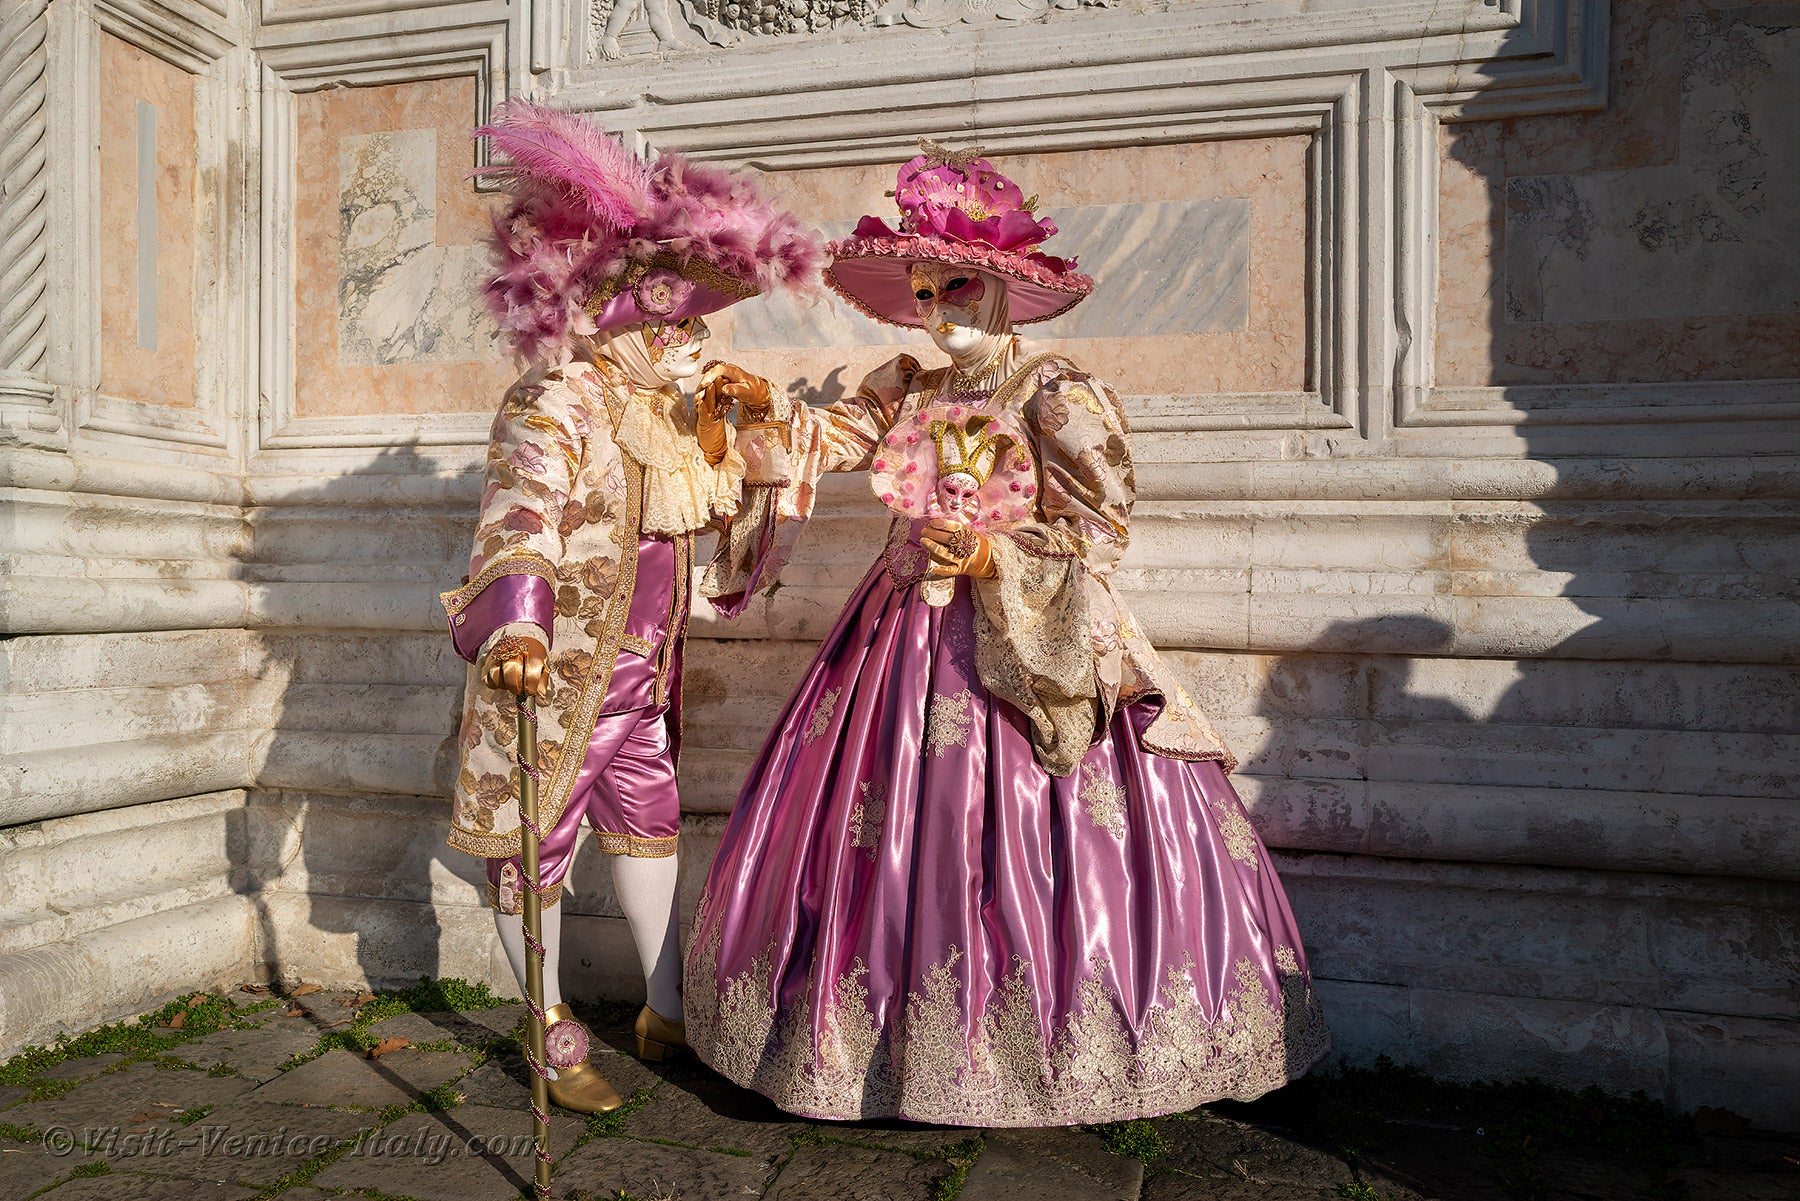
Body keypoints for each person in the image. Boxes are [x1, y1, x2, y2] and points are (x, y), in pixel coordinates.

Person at [683, 144, 1329, 1126]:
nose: (937, 309)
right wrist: (748, 423)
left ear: (998, 285)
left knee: (1030, 845)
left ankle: (1060, 1046)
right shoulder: (905, 387)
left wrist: (994, 558)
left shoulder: (1055, 391)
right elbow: (828, 443)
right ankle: (865, 1048)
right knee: (888, 835)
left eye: (954, 287)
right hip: (899, 638)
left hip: (1028, 655)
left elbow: (1099, 535)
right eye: (923, 289)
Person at [439, 100, 818, 1113]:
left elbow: (738, 530)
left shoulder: (675, 418)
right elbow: (521, 512)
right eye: (676, 319)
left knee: (648, 823)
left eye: (699, 319)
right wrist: (517, 622)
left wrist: (756, 447)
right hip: (553, 680)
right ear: (623, 314)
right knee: (538, 842)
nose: (693, 337)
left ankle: (663, 1004)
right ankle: (545, 1025)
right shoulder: (555, 399)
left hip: (642, 680)